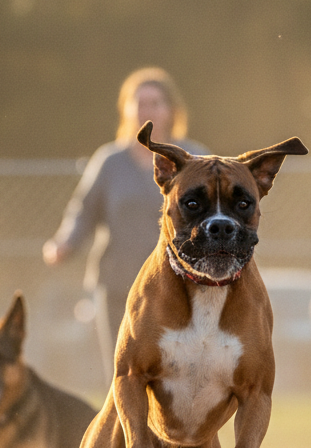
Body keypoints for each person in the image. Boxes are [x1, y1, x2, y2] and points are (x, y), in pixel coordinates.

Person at [43, 68, 205, 375]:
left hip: (182, 285)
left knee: (181, 378)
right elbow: (83, 211)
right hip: (119, 284)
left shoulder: (195, 158)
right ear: (127, 110)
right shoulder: (110, 161)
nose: (147, 109)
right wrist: (64, 242)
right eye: (139, 102)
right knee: (124, 375)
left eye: (155, 102)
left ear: (171, 110)